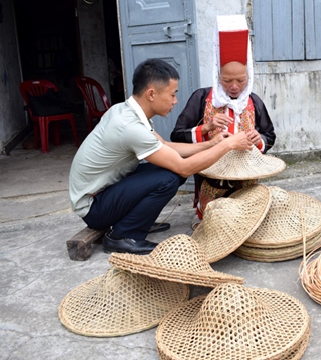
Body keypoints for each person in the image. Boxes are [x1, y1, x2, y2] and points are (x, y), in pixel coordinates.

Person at [69, 58, 253, 255]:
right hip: (94, 207)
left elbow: (165, 146)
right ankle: (123, 236)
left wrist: (211, 143)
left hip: (104, 193)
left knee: (168, 170)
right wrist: (228, 144)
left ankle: (137, 220)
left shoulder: (126, 111)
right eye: (172, 94)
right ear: (151, 94)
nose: (175, 101)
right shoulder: (130, 127)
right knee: (169, 177)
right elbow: (184, 168)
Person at [170, 15, 276, 228]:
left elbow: (270, 136)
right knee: (214, 222)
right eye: (227, 80)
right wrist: (206, 127)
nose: (234, 86)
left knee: (246, 220)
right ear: (217, 76)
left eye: (241, 80)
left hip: (246, 177)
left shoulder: (253, 101)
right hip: (211, 177)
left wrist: (259, 139)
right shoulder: (201, 98)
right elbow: (176, 135)